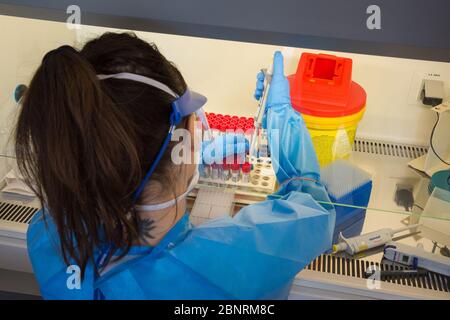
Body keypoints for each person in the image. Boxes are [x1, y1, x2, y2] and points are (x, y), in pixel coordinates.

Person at [18, 32, 335, 299]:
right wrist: (285, 128)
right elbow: (315, 212)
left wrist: (179, 157)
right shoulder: (225, 263)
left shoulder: (49, 236)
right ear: (185, 139)